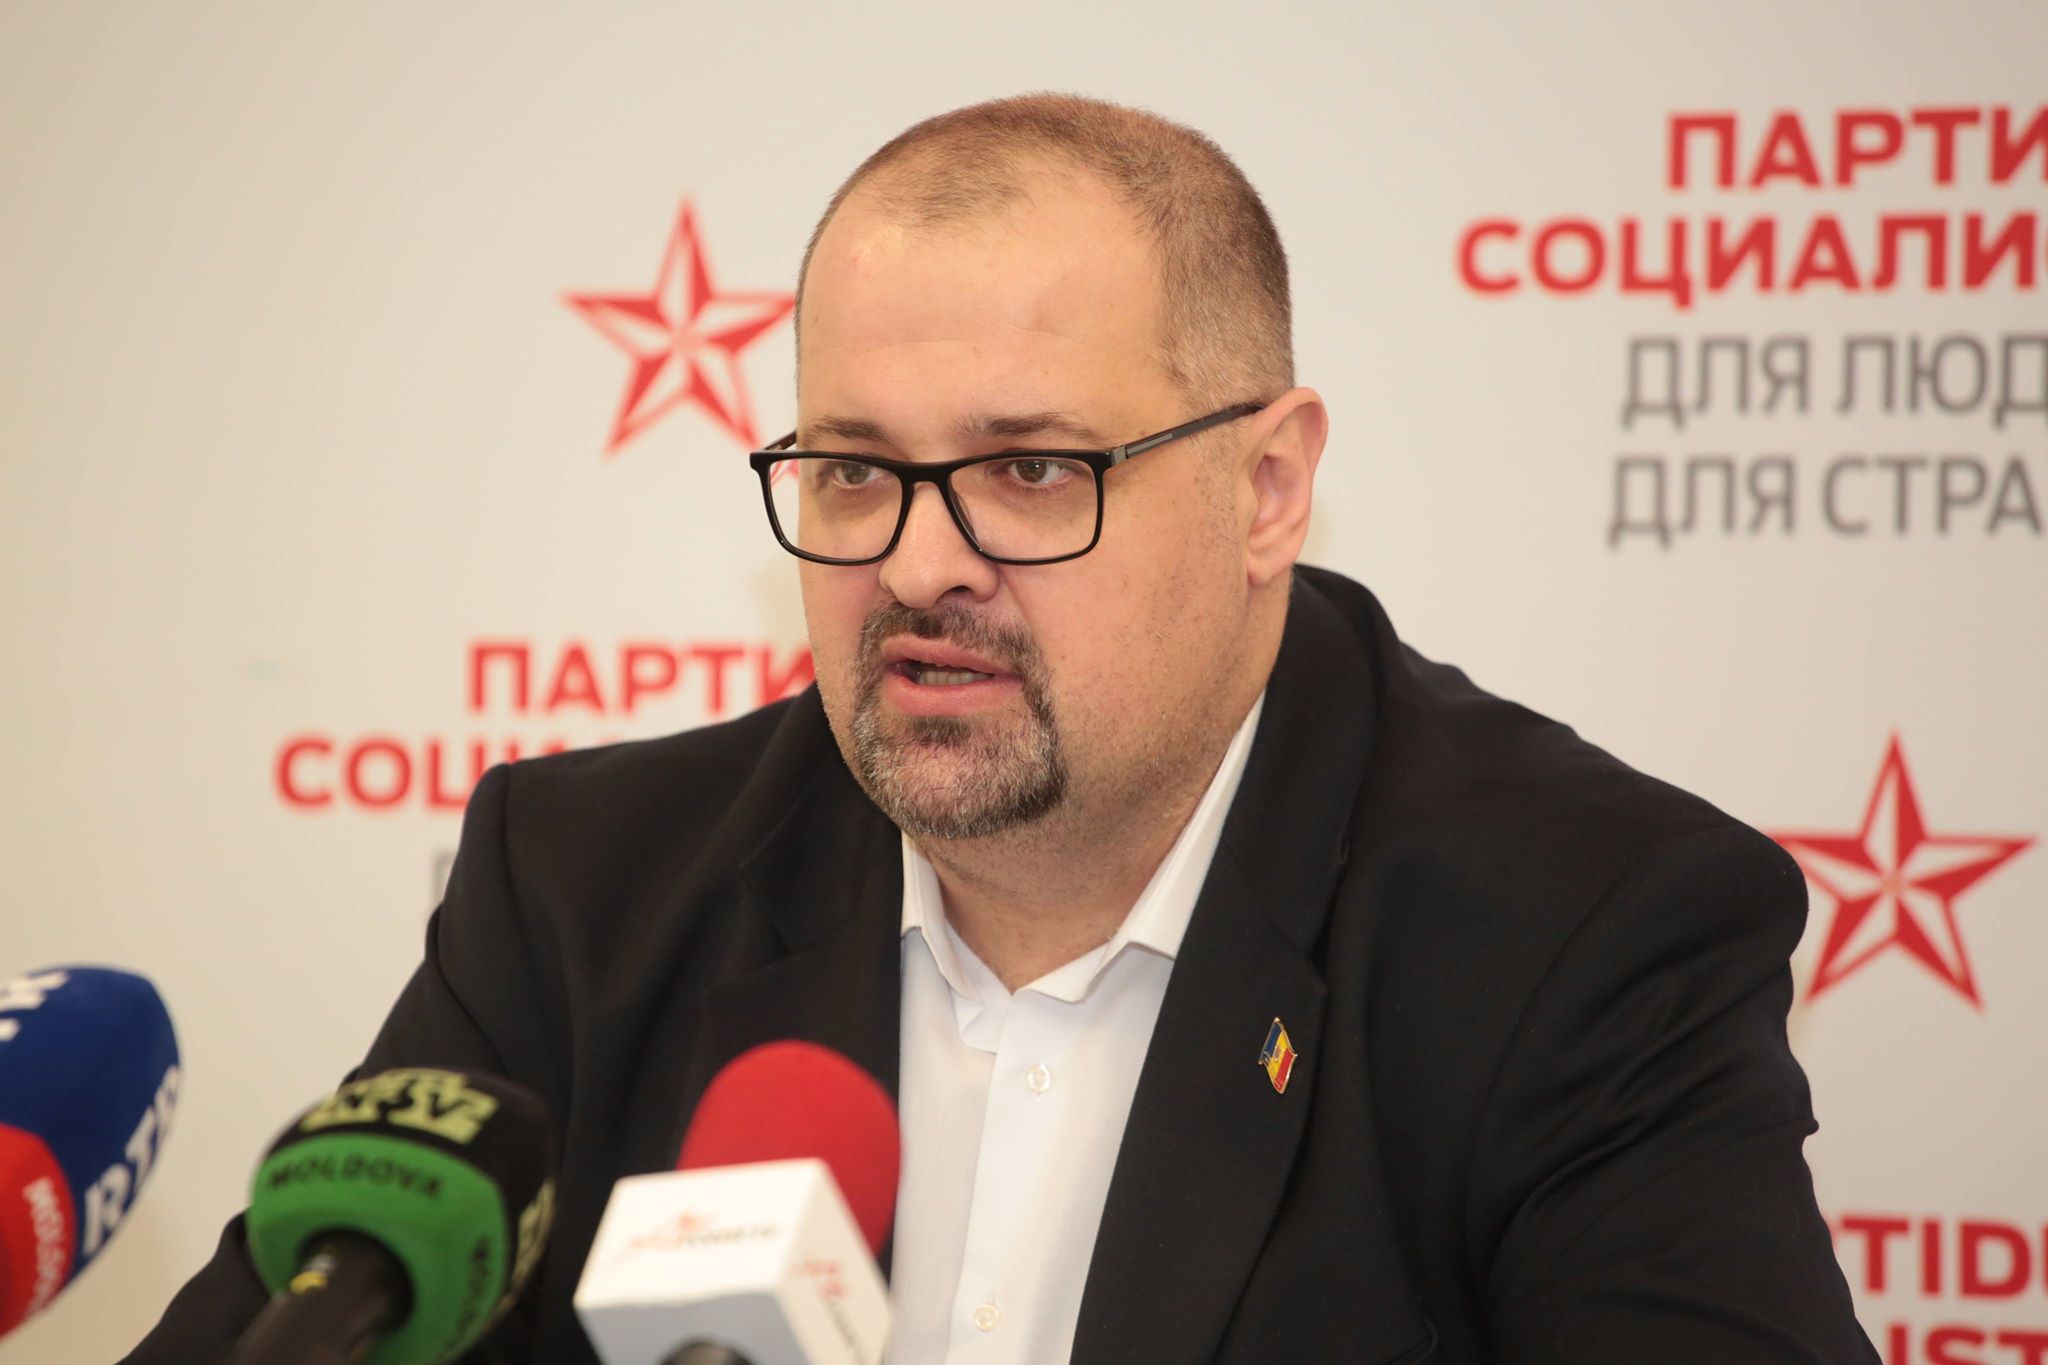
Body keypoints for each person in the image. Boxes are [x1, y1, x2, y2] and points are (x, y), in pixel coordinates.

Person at [127, 94, 1877, 1364]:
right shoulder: (582, 892)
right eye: (854, 469)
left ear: (1268, 487)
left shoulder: (1580, 928)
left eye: (1032, 468)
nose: (916, 564)